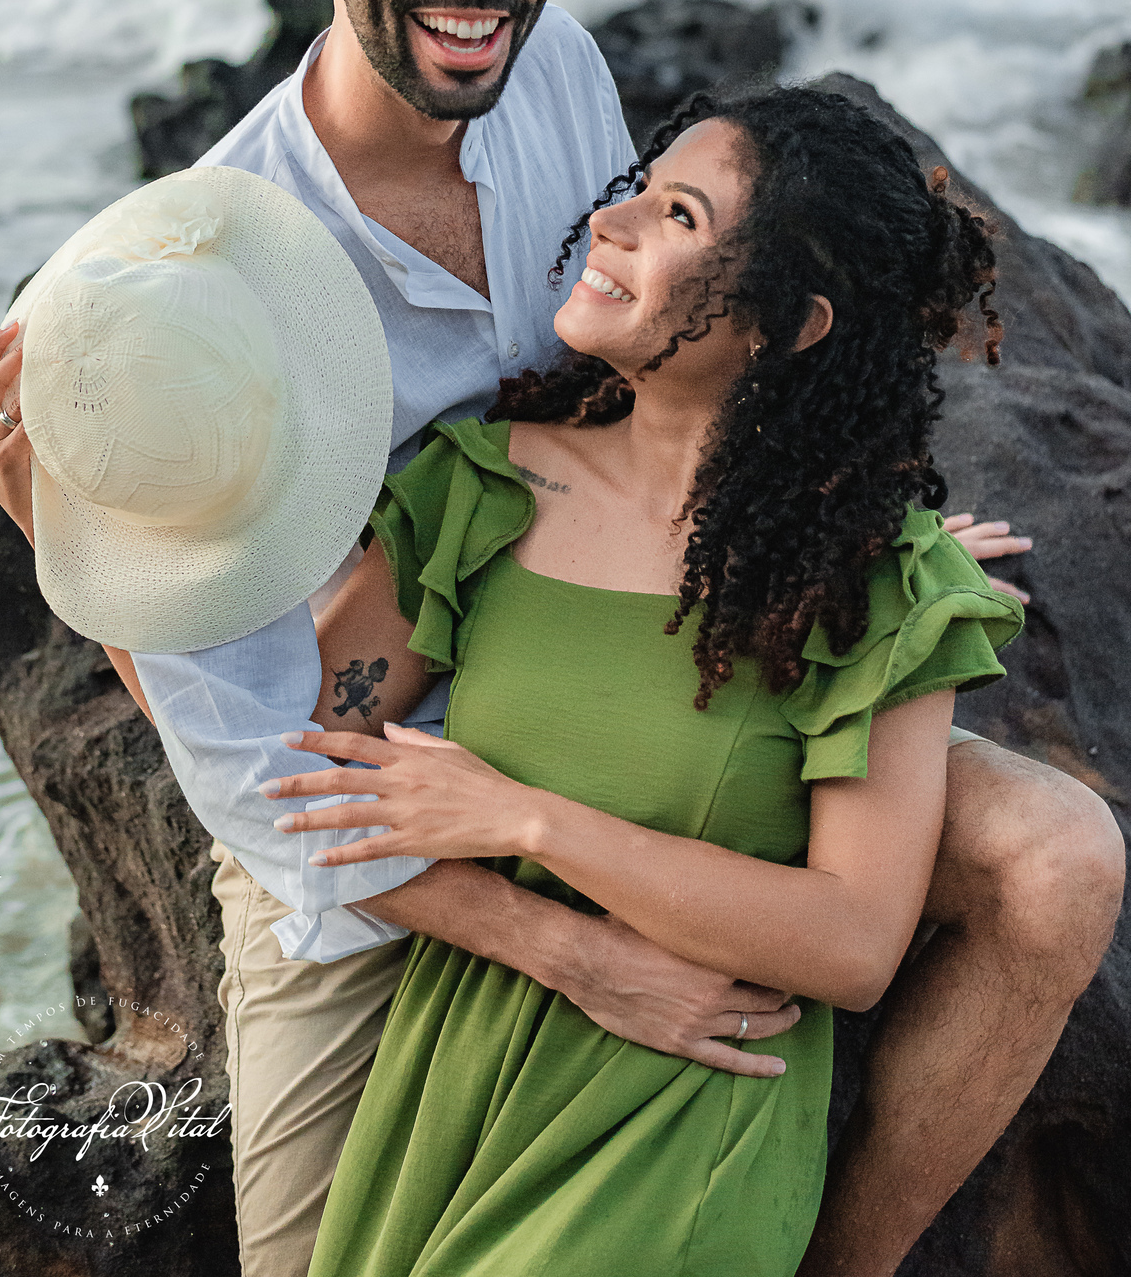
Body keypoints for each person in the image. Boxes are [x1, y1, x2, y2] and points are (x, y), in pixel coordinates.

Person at [0, 0, 1124, 1277]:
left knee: (1058, 859)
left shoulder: (552, 70)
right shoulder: (213, 280)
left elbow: (695, 347)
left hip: (652, 642)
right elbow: (261, 757)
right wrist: (580, 951)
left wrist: (855, 550)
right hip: (377, 767)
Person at [262, 86, 1020, 1276]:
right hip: (454, 1100)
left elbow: (855, 939)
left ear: (787, 324)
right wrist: (117, 547)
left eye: (679, 215)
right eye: (640, 187)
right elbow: (296, 784)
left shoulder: (874, 585)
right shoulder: (485, 486)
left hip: (684, 1127)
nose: (612, 221)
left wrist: (524, 817)